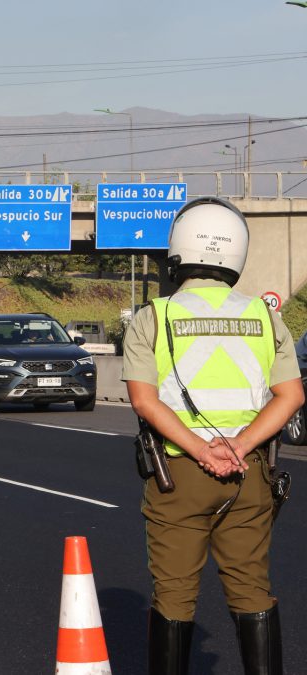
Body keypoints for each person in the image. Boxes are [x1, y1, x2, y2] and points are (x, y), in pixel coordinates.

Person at [121, 197, 302, 674]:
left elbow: (144, 400)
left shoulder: (154, 317)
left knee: (175, 594)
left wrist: (203, 448)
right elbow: (290, 397)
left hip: (179, 473)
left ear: (178, 251)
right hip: (249, 472)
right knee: (251, 589)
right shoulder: (266, 318)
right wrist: (238, 447)